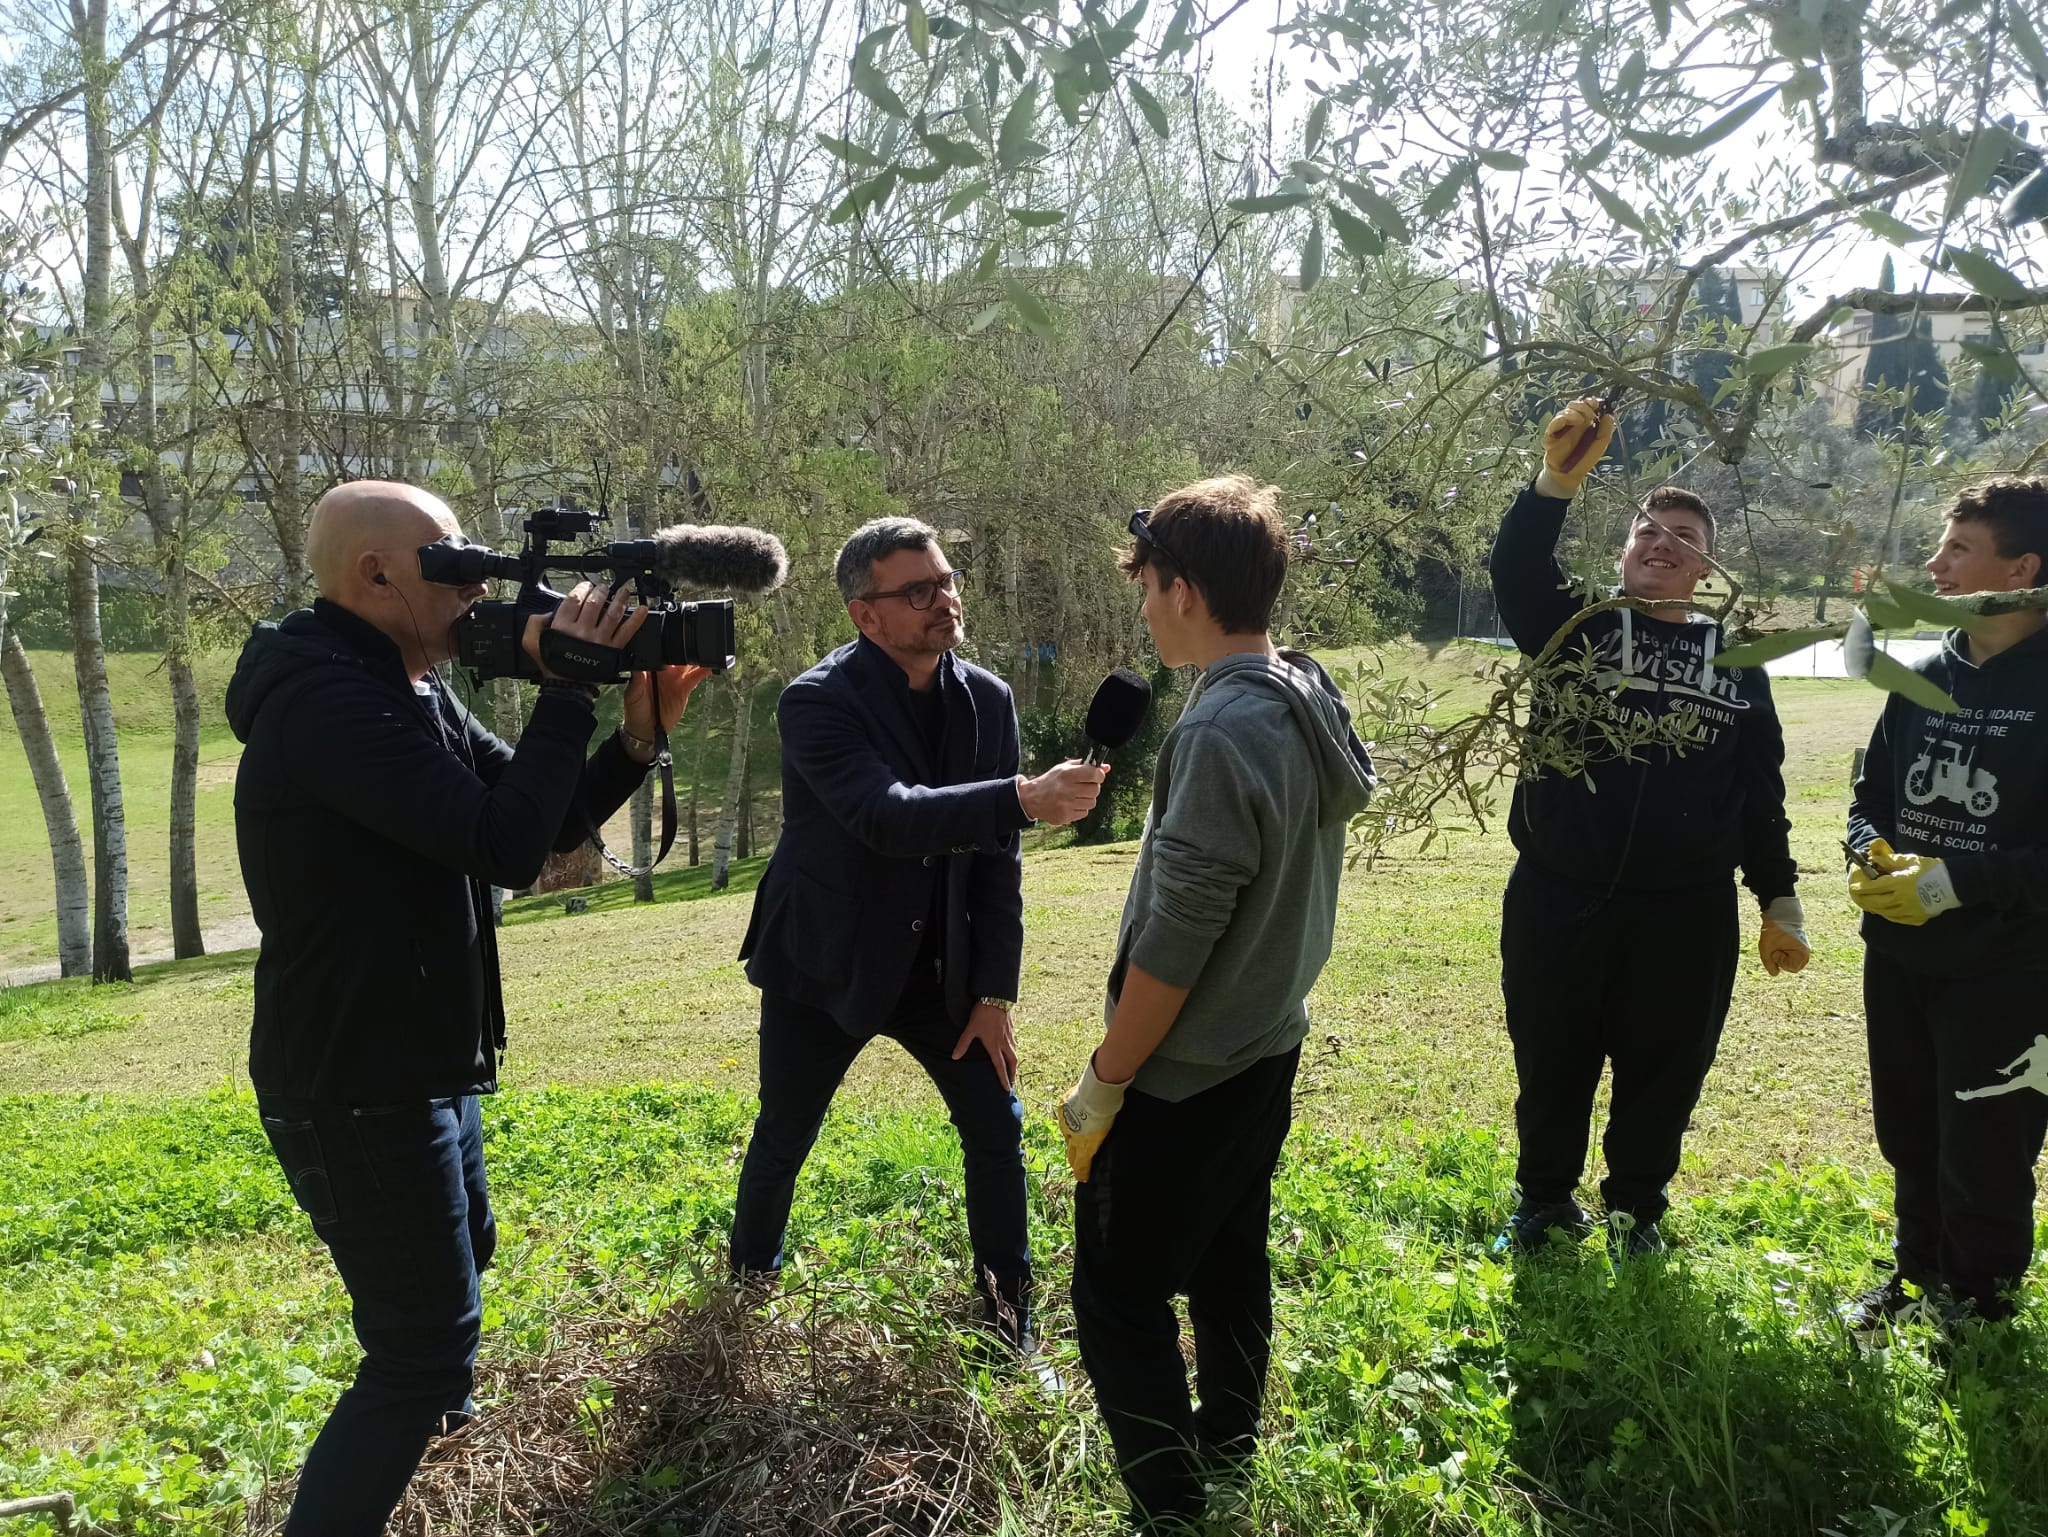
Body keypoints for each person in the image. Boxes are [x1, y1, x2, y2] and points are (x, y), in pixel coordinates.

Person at [225, 480, 708, 1534]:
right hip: (355, 1077)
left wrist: (632, 737)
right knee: (417, 1351)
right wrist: (567, 690)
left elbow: (533, 836)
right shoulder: (325, 703)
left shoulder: (405, 685)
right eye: (451, 566)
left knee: (459, 1276)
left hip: (421, 1059)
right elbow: (493, 841)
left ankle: (438, 1493)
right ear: (375, 574)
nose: (473, 589)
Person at [1057, 476, 1376, 1531]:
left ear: (1185, 590)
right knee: (1229, 1251)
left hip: (1184, 1074)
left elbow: (1177, 943)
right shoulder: (1303, 690)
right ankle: (1228, 1442)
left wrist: (1105, 1081)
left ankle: (1174, 1509)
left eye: (1147, 587)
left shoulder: (1218, 732)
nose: (1143, 609)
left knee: (1116, 1296)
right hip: (1265, 1044)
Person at [730, 517, 1106, 1357]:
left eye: (945, 581)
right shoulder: (816, 702)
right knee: (785, 1131)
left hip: (944, 967)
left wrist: (994, 993)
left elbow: (996, 866)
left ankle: (1012, 1328)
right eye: (919, 590)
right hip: (825, 959)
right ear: (867, 615)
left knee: (995, 1127)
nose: (946, 600)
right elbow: (884, 815)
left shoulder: (990, 698)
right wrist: (1019, 794)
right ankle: (745, 1294)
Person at [1487, 398, 1806, 1258]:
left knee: (1665, 1073)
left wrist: (1780, 898)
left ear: (1707, 567)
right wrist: (1555, 482)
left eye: (1683, 536)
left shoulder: (1735, 663)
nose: (1661, 542)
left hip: (1687, 914)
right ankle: (1544, 1205)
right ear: (1624, 551)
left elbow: (1759, 790)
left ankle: (1636, 1210)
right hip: (1560, 898)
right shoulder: (1576, 629)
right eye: (1645, 531)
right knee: (1551, 1063)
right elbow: (1515, 566)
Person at [1843, 477, 2048, 1332]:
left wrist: (1957, 882)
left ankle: (1981, 1304)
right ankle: (1919, 1275)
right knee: (1910, 1130)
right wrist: (1867, 852)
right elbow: (1871, 792)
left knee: (1986, 1143)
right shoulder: (1926, 672)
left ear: (2024, 567)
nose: (1935, 566)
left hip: (2006, 966)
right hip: (1899, 956)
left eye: (1958, 549)